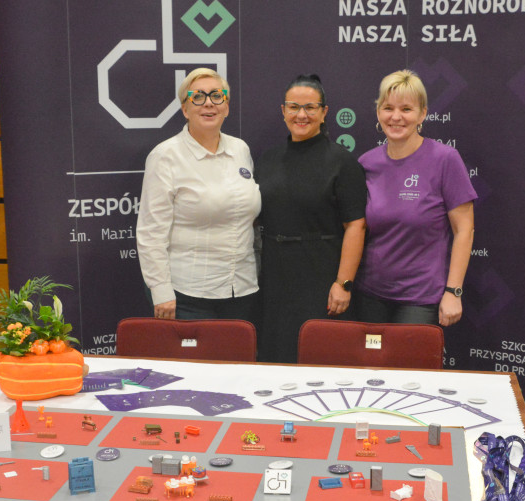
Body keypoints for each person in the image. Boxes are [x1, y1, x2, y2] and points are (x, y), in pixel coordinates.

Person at [256, 74, 367, 362]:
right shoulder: (267, 160)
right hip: (275, 278)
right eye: (294, 107)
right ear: (283, 111)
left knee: (320, 358)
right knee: (276, 357)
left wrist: (343, 283)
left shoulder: (342, 162)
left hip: (322, 277)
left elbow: (356, 225)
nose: (301, 115)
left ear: (324, 112)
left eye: (310, 107)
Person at [136, 68, 260, 322]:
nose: (209, 103)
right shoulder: (165, 156)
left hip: (242, 290)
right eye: (198, 97)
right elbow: (151, 233)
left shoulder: (240, 149)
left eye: (217, 95)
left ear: (227, 106)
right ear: (185, 109)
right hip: (187, 295)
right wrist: (160, 290)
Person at [355, 69, 476, 327]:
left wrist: (453, 291)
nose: (396, 117)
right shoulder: (366, 163)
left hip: (420, 299)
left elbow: (464, 230)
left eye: (406, 109)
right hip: (369, 295)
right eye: (388, 108)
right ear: (378, 112)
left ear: (422, 114)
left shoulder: (445, 159)